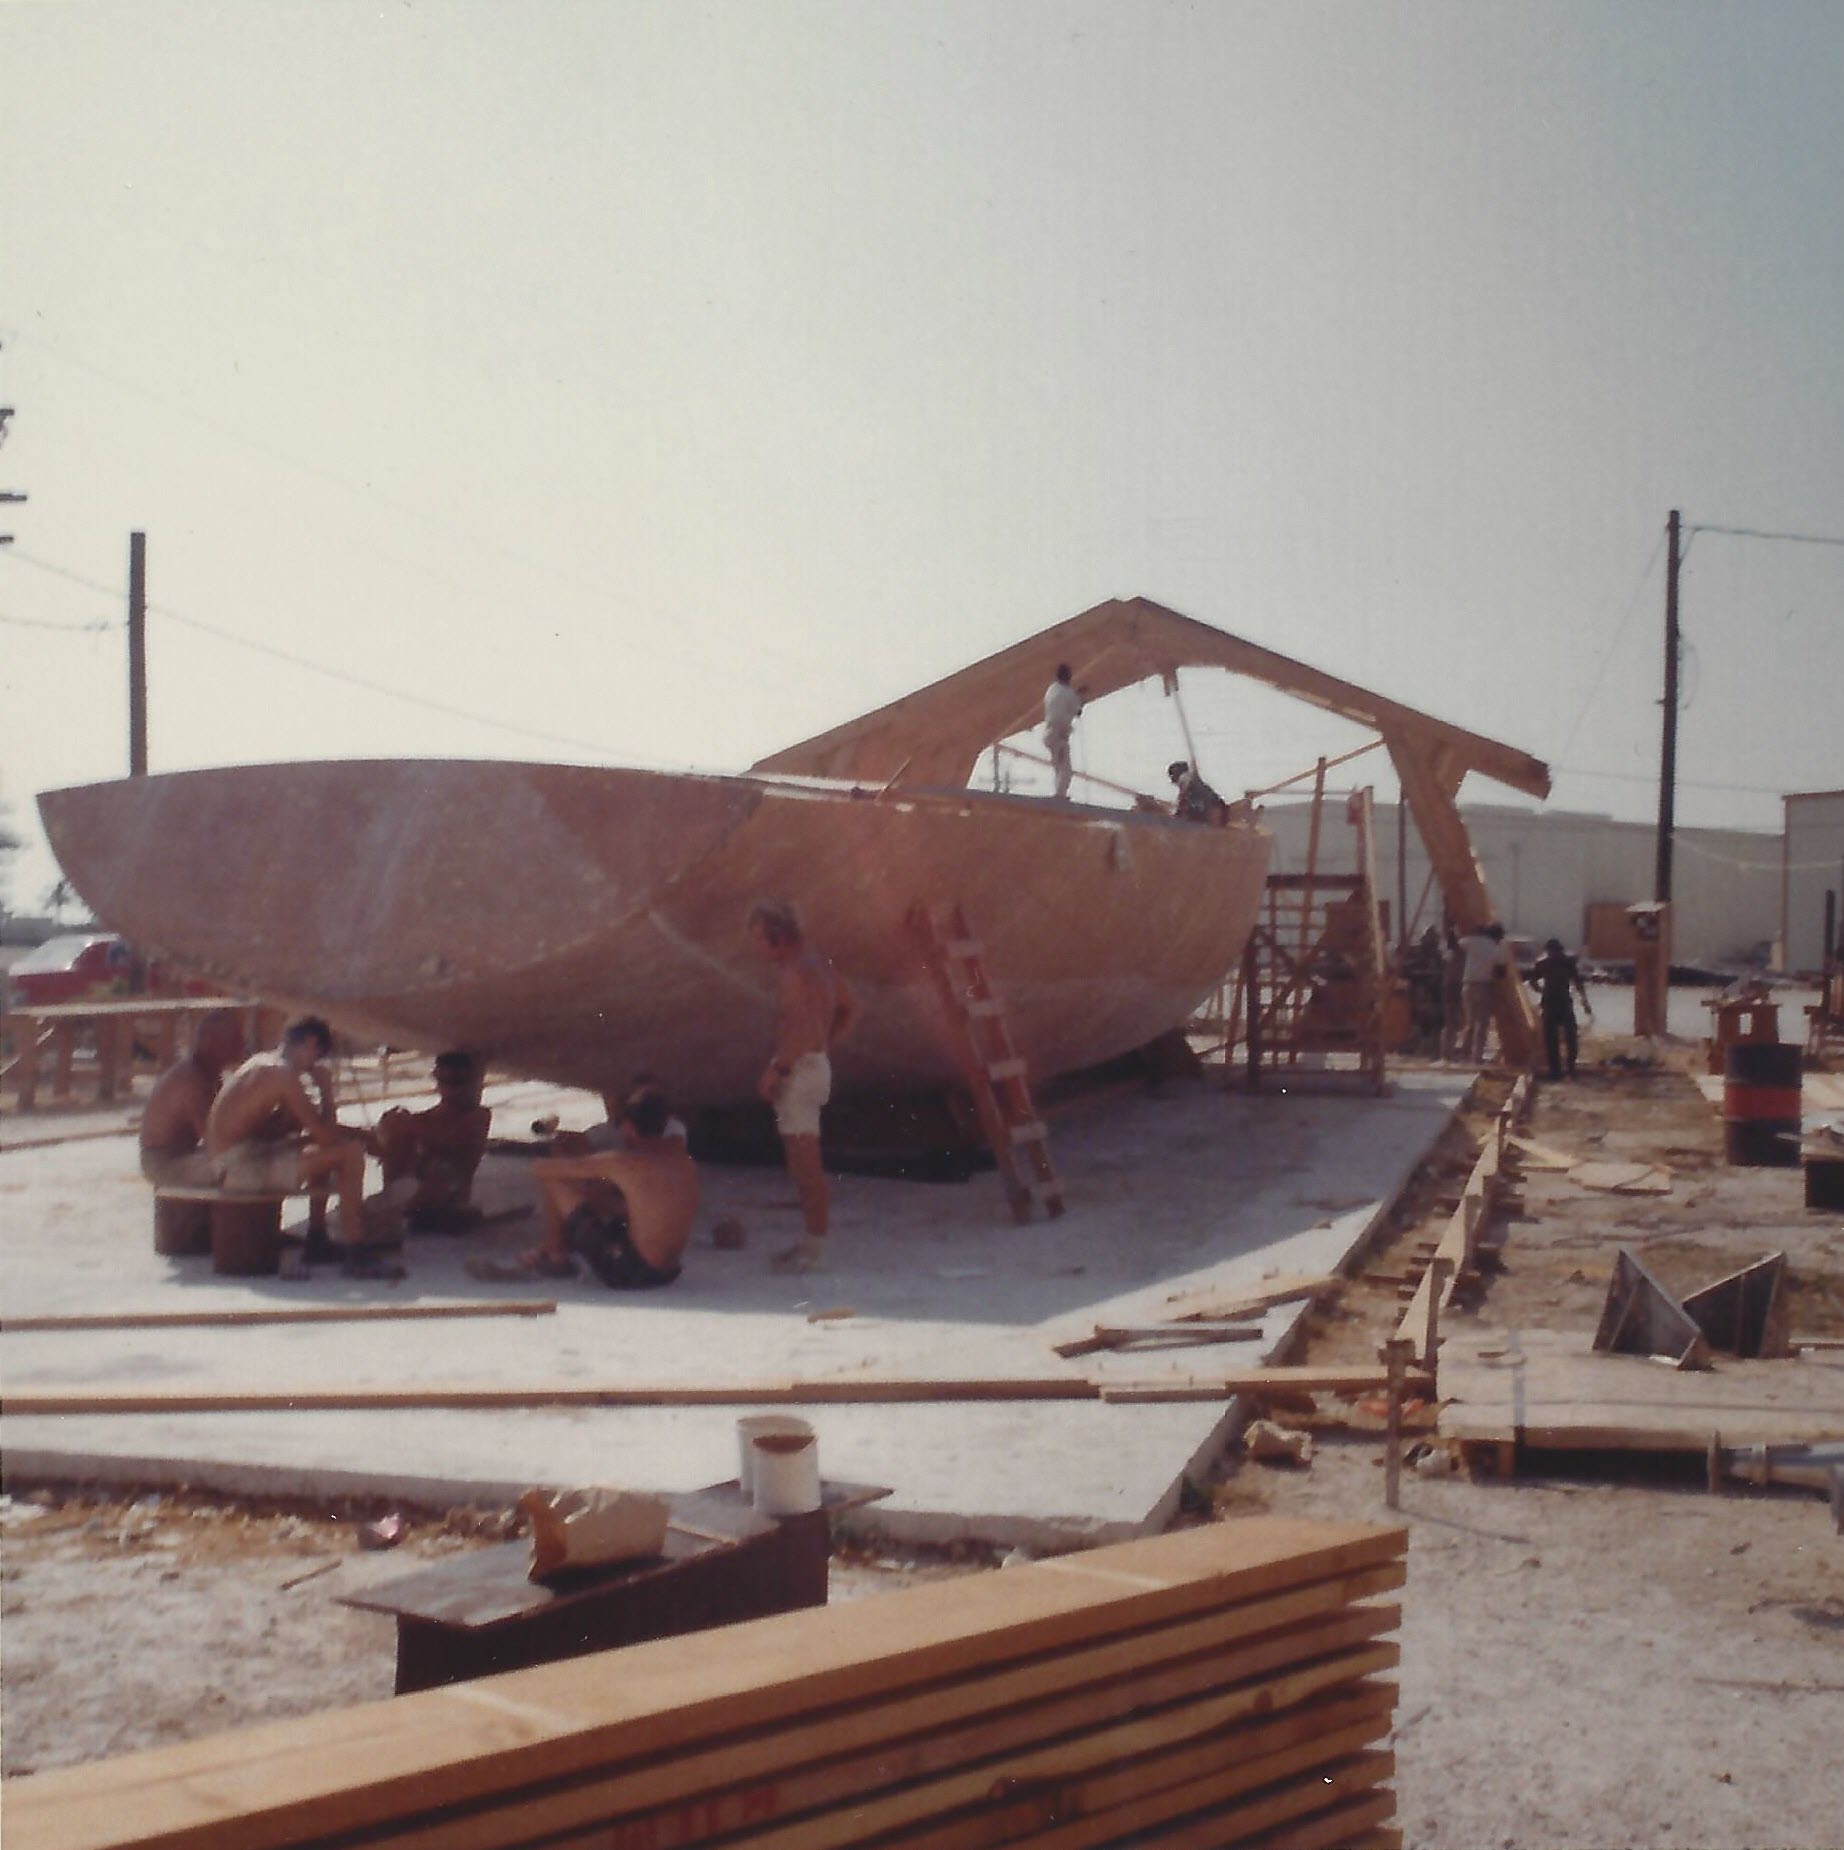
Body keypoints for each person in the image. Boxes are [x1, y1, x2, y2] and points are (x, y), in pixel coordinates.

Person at [204, 1015, 382, 1272]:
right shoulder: (282, 1075)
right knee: (350, 1153)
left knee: (324, 1150)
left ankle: (318, 1238)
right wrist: (327, 1093)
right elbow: (327, 1137)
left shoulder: (263, 1063)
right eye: (317, 1056)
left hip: (235, 1159)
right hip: (240, 1167)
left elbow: (300, 1130)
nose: (313, 1065)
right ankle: (356, 1251)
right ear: (310, 1044)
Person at [748, 898, 860, 1273]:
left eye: (759, 940)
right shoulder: (820, 965)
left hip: (797, 1071)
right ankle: (812, 1243)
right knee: (804, 1163)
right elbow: (851, 1007)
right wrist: (825, 1043)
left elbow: (795, 1030)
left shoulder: (794, 973)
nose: (756, 948)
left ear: (776, 937)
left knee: (805, 1166)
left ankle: (814, 1249)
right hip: (817, 1066)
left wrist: (776, 1071)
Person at [525, 1080, 697, 1287]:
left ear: (628, 1127)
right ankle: (560, 1248)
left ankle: (556, 1256)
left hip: (630, 1273)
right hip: (669, 1272)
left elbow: (541, 1168)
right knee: (604, 1200)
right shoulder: (682, 1159)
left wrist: (567, 1152)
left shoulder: (622, 1163)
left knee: (554, 1180)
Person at [374, 1051, 492, 1232]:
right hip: (419, 1186)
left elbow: (450, 1138)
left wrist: (405, 1123)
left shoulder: (478, 1116)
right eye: (443, 1081)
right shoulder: (429, 1116)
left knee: (441, 1169)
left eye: (455, 1082)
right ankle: (395, 1200)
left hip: (450, 1194)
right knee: (397, 1140)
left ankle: (398, 1206)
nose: (449, 1088)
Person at [139, 1008, 247, 1187]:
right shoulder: (191, 1080)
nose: (241, 1044)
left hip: (183, 1155)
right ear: (210, 1041)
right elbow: (215, 1137)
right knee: (245, 1169)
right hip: (165, 1163)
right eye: (235, 1039)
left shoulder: (211, 1074)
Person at [1527, 937, 1594, 1080]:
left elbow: (1532, 981)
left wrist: (1541, 990)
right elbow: (1578, 983)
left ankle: (1558, 1070)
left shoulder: (1544, 963)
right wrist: (1585, 1003)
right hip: (1560, 1001)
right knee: (1566, 1036)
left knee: (1557, 1037)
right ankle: (1567, 1068)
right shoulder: (1566, 962)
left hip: (1553, 1002)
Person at [1457, 922, 1510, 1064]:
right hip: (1484, 985)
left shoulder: (1472, 942)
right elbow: (1501, 970)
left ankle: (1463, 1054)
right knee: (1482, 1023)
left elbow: (1460, 942)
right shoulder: (1496, 948)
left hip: (1467, 984)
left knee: (1470, 1022)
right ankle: (1476, 1057)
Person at [1042, 663, 1084, 800]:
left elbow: (1062, 703)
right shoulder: (1069, 693)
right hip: (1060, 734)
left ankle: (1058, 794)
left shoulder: (1051, 690)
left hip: (1050, 733)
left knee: (1058, 767)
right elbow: (1077, 711)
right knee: (1066, 770)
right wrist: (1081, 697)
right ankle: (1059, 796)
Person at [1167, 760, 1229, 825]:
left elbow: (1181, 799)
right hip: (1215, 809)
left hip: (1212, 810)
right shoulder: (1192, 786)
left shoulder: (1185, 780)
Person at [1440, 926, 1467, 1060]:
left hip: (1451, 986)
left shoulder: (1449, 954)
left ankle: (1448, 1051)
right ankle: (1448, 1052)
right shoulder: (1460, 953)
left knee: (1452, 1021)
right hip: (1455, 986)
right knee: (1454, 1021)